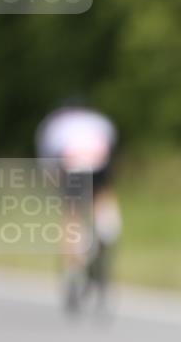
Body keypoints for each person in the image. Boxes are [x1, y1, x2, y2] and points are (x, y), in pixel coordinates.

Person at [36, 99, 122, 311]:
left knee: (71, 212)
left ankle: (73, 265)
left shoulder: (56, 123)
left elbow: (48, 162)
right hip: (99, 163)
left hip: (72, 164)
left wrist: (53, 182)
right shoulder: (99, 120)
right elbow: (111, 151)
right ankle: (106, 226)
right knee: (101, 195)